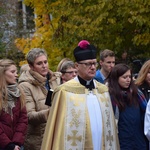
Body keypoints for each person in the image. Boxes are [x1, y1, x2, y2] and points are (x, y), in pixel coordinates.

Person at [41, 40, 120, 150]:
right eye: (88, 64)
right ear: (77, 66)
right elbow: (57, 130)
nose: (92, 67)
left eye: (94, 63)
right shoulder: (64, 91)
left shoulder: (103, 91)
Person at [18, 48, 61, 150]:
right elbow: (29, 116)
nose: (44, 66)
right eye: (39, 63)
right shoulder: (25, 86)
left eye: (45, 62)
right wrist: (50, 113)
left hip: (56, 136)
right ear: (31, 66)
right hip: (38, 140)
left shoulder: (54, 79)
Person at [107, 63, 148, 150]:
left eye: (129, 76)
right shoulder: (110, 97)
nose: (128, 80)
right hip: (122, 142)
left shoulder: (137, 94)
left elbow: (144, 117)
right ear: (116, 78)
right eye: (124, 77)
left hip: (139, 141)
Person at [0, 59, 28, 150]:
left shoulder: (19, 92)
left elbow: (23, 118)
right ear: (2, 73)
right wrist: (8, 145)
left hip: (17, 145)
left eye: (16, 72)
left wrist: (16, 142)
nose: (16, 75)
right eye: (12, 72)